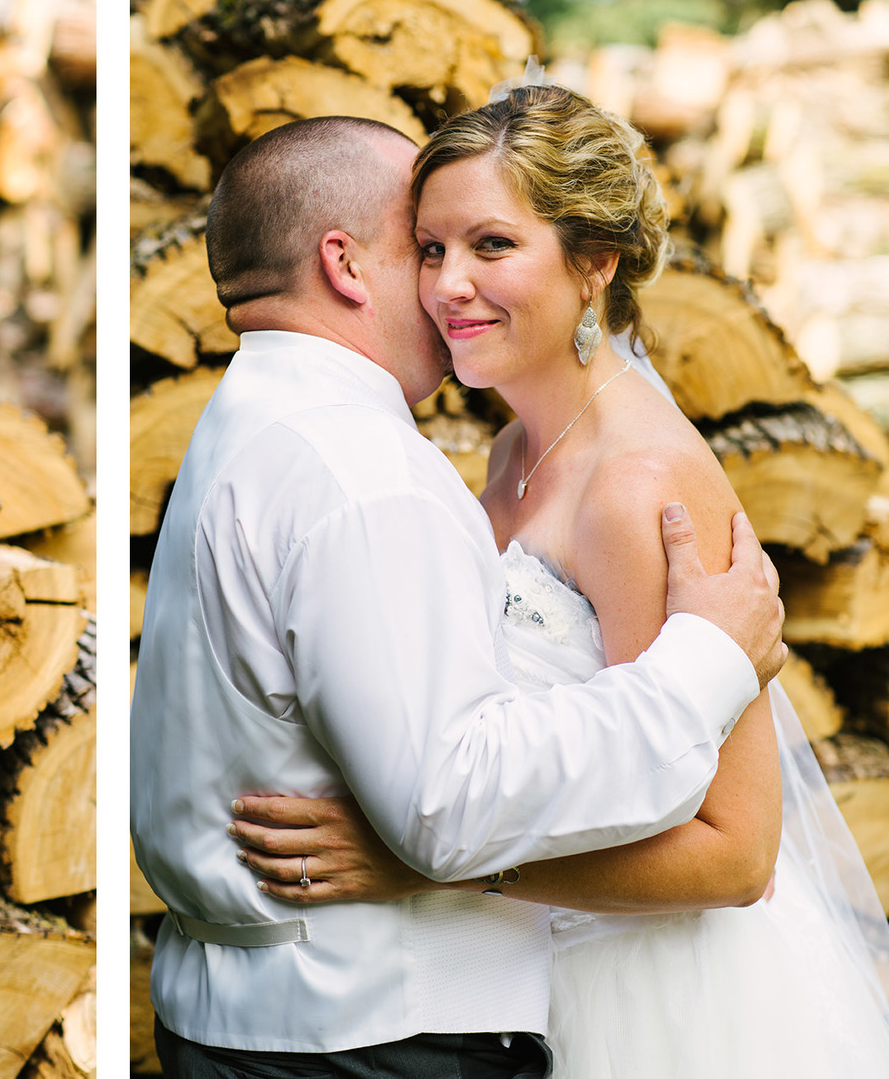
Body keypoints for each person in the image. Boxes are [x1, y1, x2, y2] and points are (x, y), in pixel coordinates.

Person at [226, 84, 889, 1076]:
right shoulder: (504, 456)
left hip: (660, 999)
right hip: (522, 977)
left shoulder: (638, 485)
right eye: (432, 248)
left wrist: (431, 867)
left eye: (492, 246)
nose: (448, 285)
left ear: (594, 262)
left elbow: (739, 854)